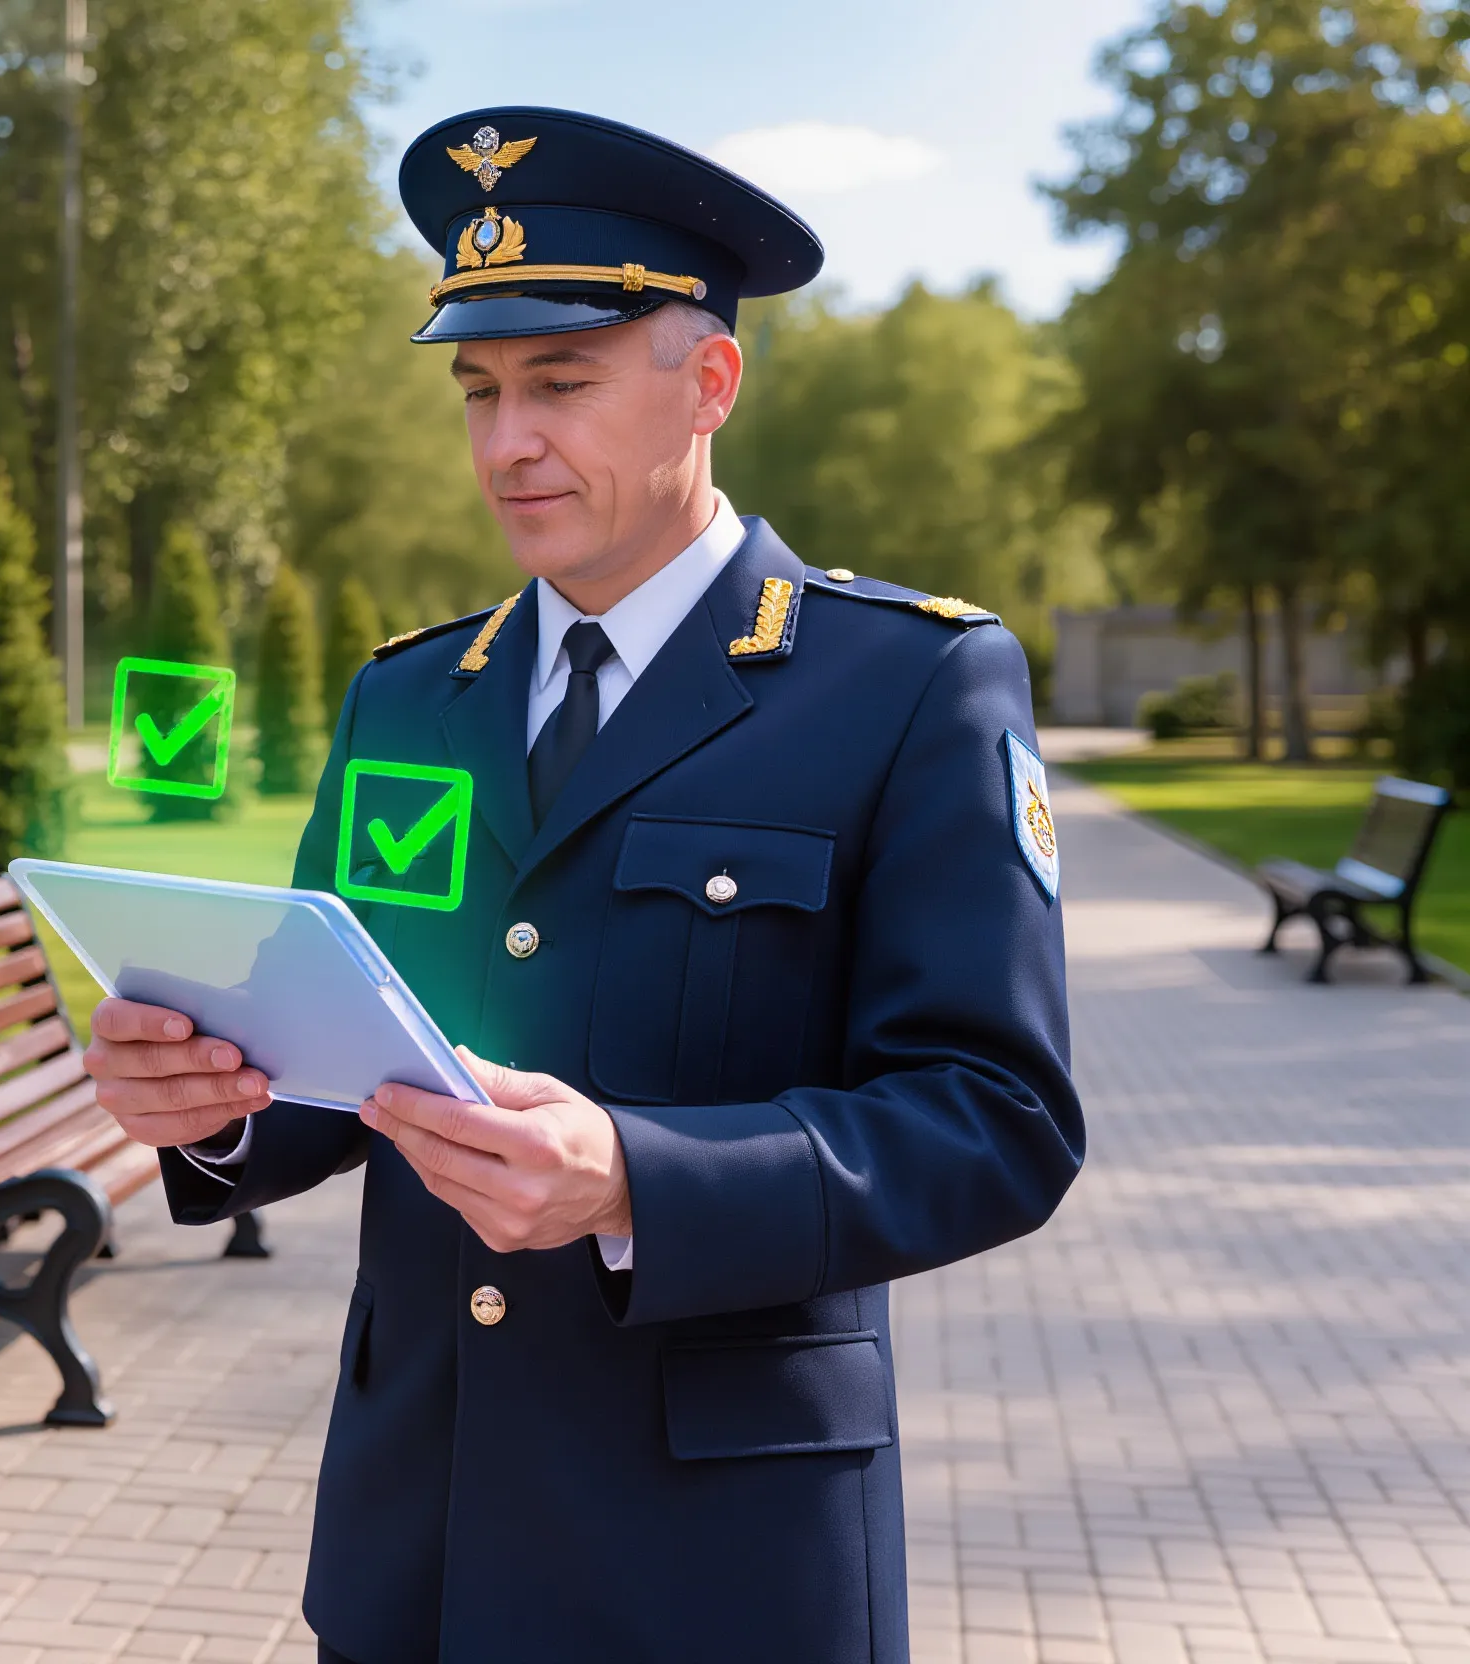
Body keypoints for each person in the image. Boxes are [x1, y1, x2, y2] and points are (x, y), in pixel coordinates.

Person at [81, 105, 1083, 1663]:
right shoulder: (412, 701)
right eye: (479, 390)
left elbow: (997, 1120)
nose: (504, 443)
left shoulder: (908, 685)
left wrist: (634, 1176)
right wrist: (206, 1104)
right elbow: (349, 1059)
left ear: (712, 381)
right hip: (421, 1534)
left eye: (560, 382)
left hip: (719, 1564)